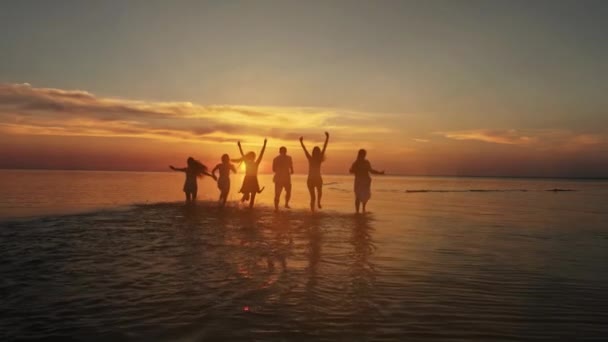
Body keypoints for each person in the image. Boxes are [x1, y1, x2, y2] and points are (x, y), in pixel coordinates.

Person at [233, 139, 267, 208]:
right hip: (249, 179)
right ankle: (239, 206)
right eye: (252, 156)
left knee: (252, 197)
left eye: (253, 156)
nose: (252, 157)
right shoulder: (248, 162)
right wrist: (239, 147)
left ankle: (248, 209)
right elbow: (242, 154)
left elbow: (261, 154)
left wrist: (264, 145)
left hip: (252, 179)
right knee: (246, 195)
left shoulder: (254, 163)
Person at [300, 132, 329, 212]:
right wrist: (301, 142)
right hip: (313, 179)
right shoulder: (312, 159)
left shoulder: (316, 159)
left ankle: (314, 208)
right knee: (315, 195)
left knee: (316, 195)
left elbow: (324, 147)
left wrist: (327, 138)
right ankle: (314, 208)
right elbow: (305, 150)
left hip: (314, 179)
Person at [349, 149, 384, 213]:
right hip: (359, 181)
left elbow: (371, 170)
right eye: (362, 154)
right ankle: (357, 211)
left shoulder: (366, 162)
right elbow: (351, 171)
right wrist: (355, 170)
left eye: (364, 154)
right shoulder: (356, 162)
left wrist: (379, 173)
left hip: (366, 181)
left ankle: (363, 209)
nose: (364, 155)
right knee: (358, 196)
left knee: (365, 195)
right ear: (360, 154)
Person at [272, 146, 294, 211]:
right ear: (286, 151)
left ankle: (276, 208)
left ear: (279, 151)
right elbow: (291, 168)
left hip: (279, 178)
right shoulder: (289, 158)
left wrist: (279, 171)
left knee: (277, 194)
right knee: (288, 192)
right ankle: (286, 204)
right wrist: (291, 171)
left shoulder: (275, 159)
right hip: (286, 178)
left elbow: (273, 169)